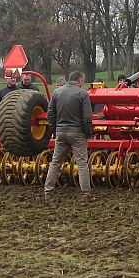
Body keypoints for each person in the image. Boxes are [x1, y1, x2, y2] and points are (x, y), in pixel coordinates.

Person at [43, 71, 94, 201]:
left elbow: (51, 114)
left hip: (60, 132)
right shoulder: (83, 94)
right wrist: (88, 133)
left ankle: (48, 191)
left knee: (55, 162)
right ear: (80, 80)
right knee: (82, 163)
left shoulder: (57, 92)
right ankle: (86, 194)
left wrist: (54, 131)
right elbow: (87, 117)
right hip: (77, 133)